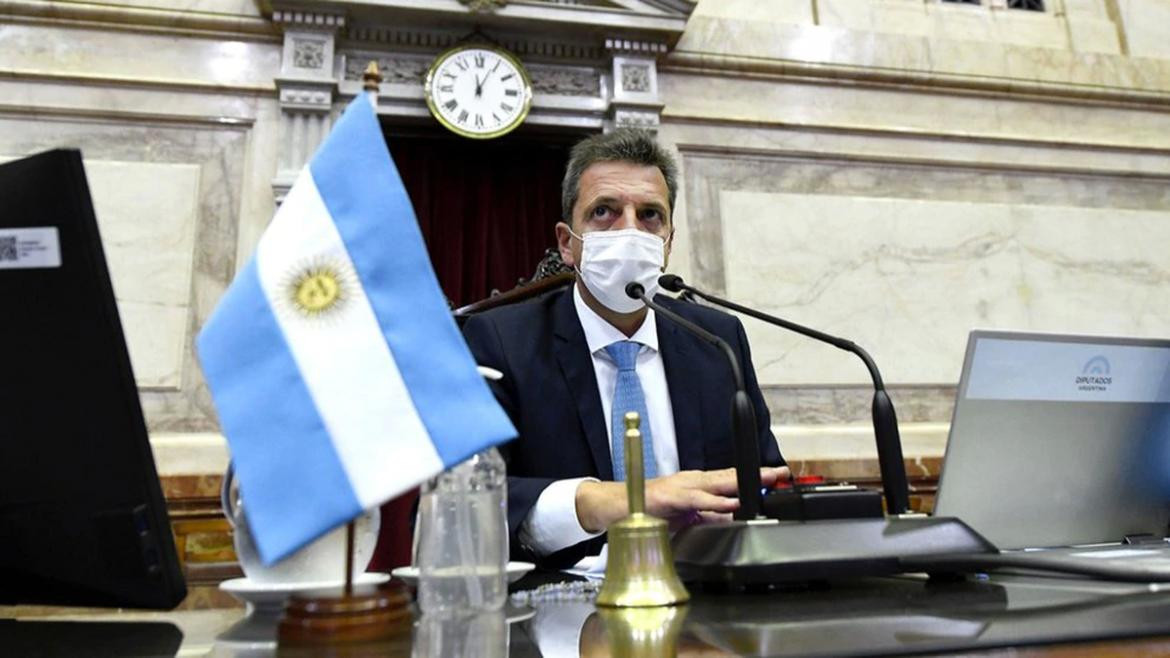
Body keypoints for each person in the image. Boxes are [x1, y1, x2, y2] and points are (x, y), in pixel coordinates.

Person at [461, 128, 786, 571]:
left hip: (709, 605)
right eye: (604, 212)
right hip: (566, 616)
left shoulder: (718, 341)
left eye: (650, 214)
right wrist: (616, 500)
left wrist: (746, 509)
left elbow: (768, 483)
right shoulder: (500, 340)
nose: (630, 230)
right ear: (566, 243)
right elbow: (465, 506)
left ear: (668, 242)